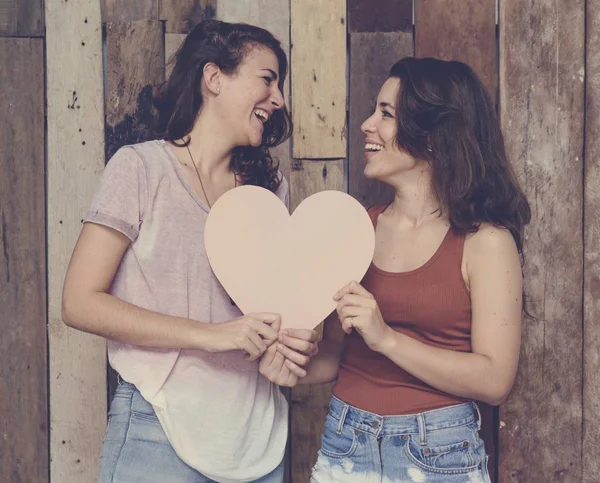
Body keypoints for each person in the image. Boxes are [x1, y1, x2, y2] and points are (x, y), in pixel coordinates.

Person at [62, 19, 318, 483]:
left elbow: (274, 312)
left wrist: (294, 344)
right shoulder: (140, 168)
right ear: (214, 77)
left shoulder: (269, 189)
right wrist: (213, 334)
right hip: (157, 431)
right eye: (267, 78)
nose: (278, 98)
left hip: (258, 442)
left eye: (280, 85)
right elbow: (79, 302)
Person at [279, 57, 531, 482]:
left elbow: (494, 379)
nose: (366, 124)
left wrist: (387, 339)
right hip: (346, 441)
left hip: (438, 452)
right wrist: (283, 360)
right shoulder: (358, 228)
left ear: (433, 137)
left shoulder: (485, 242)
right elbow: (331, 360)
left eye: (386, 114)